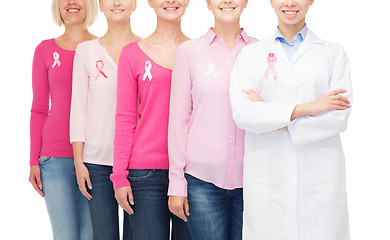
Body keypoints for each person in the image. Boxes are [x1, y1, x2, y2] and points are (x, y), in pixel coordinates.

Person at [229, 0, 352, 239]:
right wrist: (308, 108)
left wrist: (269, 114)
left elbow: (338, 116)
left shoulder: (334, 54)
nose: (290, 3)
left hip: (319, 187)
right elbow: (243, 114)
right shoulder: (250, 55)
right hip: (269, 185)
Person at [167, 0, 256, 239]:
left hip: (253, 181)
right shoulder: (188, 52)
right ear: (208, 3)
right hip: (201, 182)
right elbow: (178, 121)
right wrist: (176, 183)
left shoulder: (261, 52)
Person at [111, 0, 192, 239]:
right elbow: (125, 118)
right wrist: (119, 176)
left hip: (191, 172)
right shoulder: (132, 54)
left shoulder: (198, 52)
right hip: (145, 173)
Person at [70, 0, 139, 239]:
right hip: (96, 164)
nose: (117, 3)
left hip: (137, 163)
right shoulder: (86, 51)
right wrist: (79, 162)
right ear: (100, 5)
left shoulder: (146, 49)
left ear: (136, 4)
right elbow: (78, 108)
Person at [28, 0, 97, 239]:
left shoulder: (103, 48)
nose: (71, 2)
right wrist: (33, 161)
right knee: (65, 235)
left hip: (95, 157)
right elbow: (38, 108)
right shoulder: (45, 50)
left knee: (92, 235)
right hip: (54, 159)